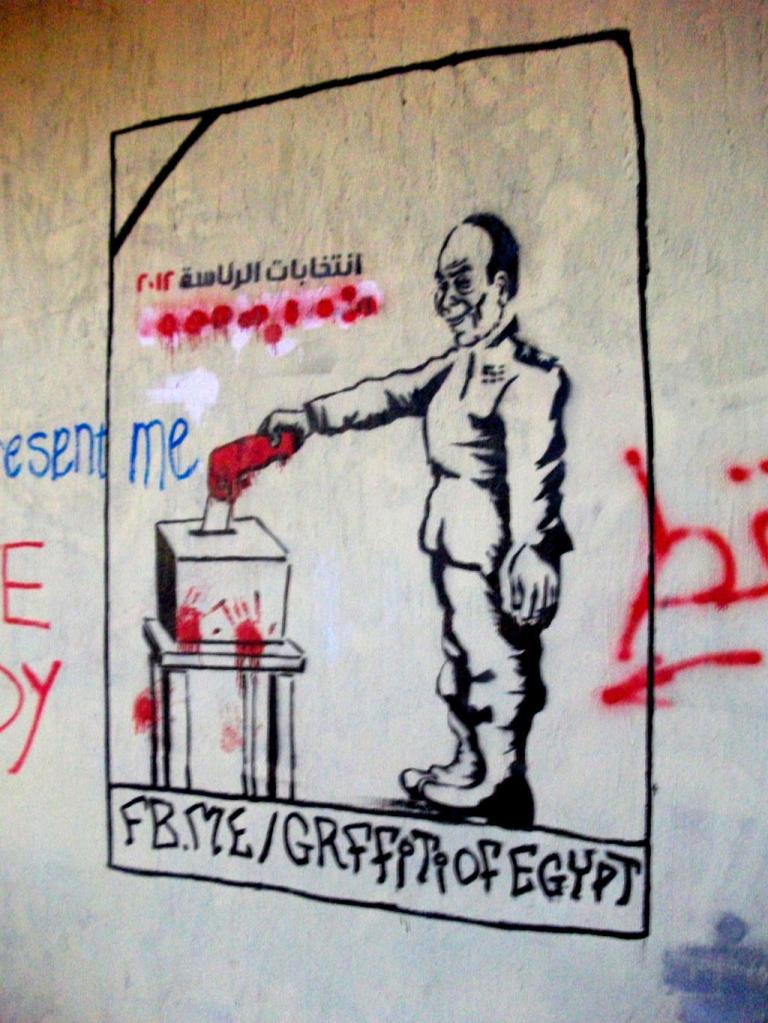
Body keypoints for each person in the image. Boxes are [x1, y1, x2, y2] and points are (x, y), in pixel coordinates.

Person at [260, 213, 571, 828]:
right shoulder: (456, 367)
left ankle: (501, 781)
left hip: (495, 546)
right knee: (463, 655)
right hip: (457, 536)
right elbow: (388, 394)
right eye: (441, 285)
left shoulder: (529, 376)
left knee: (497, 660)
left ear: (500, 286)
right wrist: (310, 417)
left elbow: (536, 466)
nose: (447, 301)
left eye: (462, 282)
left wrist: (534, 545)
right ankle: (471, 764)